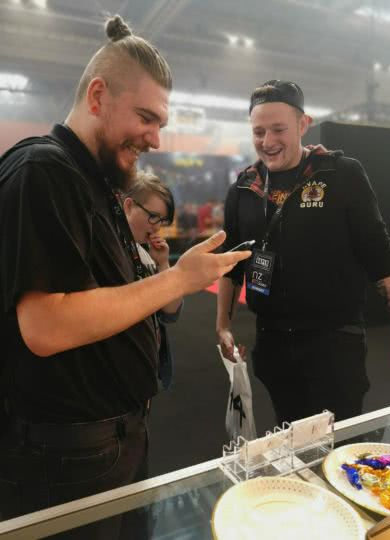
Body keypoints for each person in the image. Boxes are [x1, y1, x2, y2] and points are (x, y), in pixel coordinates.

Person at [0, 14, 251, 539]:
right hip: (69, 454)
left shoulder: (90, 180)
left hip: (109, 440)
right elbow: (46, 325)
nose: (156, 138)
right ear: (97, 96)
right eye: (146, 117)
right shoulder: (44, 172)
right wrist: (178, 279)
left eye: (160, 122)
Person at [216, 79, 390, 427]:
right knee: (290, 433)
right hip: (272, 342)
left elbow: (380, 258)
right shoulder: (243, 188)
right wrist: (223, 327)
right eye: (258, 131)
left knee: (339, 437)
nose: (267, 142)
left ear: (304, 124)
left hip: (335, 341)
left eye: (279, 130)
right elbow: (231, 265)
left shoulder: (341, 174)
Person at [122, 170, 182, 389]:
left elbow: (170, 312)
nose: (157, 226)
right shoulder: (111, 255)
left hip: (145, 368)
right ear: (129, 206)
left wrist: (163, 264)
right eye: (153, 216)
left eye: (161, 220)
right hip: (122, 372)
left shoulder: (145, 253)